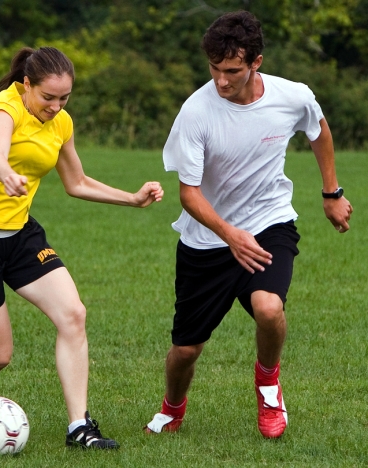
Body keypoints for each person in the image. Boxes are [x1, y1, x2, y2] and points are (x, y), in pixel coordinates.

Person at [0, 46, 164, 449]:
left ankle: (79, 427)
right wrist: (5, 173)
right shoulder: (4, 110)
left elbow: (76, 182)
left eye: (64, 98)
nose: (56, 107)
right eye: (48, 97)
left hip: (19, 236)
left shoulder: (61, 123)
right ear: (27, 85)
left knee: (73, 314)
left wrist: (131, 198)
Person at [144, 11, 353, 439]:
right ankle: (173, 407)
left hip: (269, 222)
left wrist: (331, 194)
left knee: (269, 307)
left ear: (256, 62)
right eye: (215, 69)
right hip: (207, 240)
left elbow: (319, 131)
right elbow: (190, 194)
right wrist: (230, 235)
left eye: (232, 70)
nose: (221, 80)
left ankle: (269, 384)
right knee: (186, 349)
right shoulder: (196, 112)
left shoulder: (292, 96)